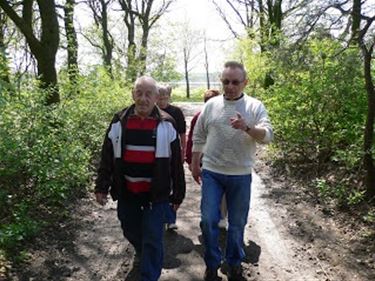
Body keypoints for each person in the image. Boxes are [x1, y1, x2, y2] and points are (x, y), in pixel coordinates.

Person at [95, 76, 186, 281]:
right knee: (130, 229)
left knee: (153, 238)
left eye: (148, 94)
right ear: (132, 94)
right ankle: (141, 250)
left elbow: (175, 165)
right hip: (128, 191)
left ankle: (149, 275)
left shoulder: (167, 124)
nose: (143, 99)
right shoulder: (119, 121)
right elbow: (107, 156)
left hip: (156, 194)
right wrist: (102, 186)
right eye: (139, 93)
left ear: (156, 97)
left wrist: (177, 195)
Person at [191, 61, 273, 281]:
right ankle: (211, 262)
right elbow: (199, 135)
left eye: (235, 82)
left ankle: (235, 262)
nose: (230, 86)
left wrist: (247, 127)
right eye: (226, 81)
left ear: (245, 82)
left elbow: (267, 136)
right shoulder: (211, 105)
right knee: (208, 220)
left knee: (237, 224)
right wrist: (194, 162)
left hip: (241, 174)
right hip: (212, 172)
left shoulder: (255, 106)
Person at [185, 89, 228, 229]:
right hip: (205, 160)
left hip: (224, 160)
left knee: (224, 192)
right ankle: (208, 216)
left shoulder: (226, 116)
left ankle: (222, 216)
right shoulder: (199, 117)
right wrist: (191, 160)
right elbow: (192, 138)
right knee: (209, 191)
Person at [156, 84, 187, 231]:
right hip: (157, 155)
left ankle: (171, 218)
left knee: (175, 185)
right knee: (162, 185)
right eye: (159, 98)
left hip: (173, 154)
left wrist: (183, 151)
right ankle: (160, 216)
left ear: (169, 96)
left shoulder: (176, 112)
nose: (162, 101)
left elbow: (182, 133)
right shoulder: (151, 112)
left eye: (165, 98)